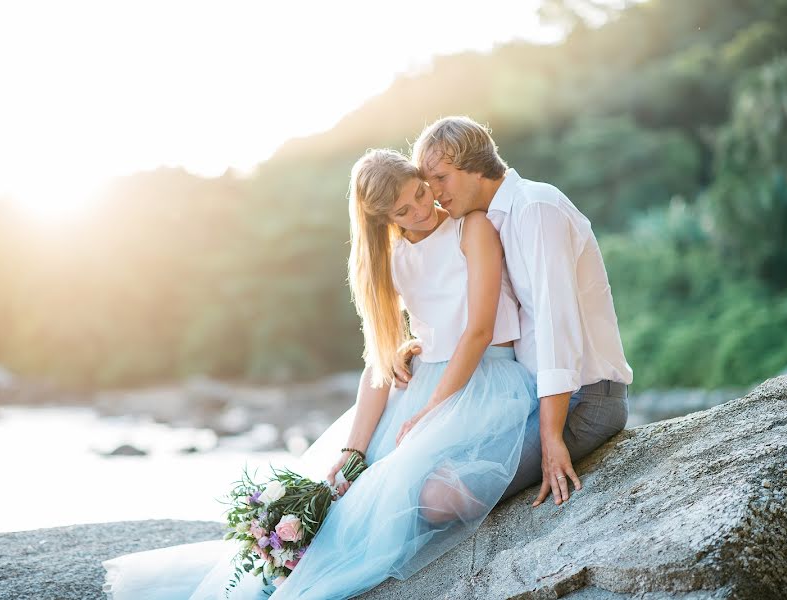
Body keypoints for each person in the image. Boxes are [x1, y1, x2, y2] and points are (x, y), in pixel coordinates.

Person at [101, 148, 536, 599]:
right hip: (423, 385)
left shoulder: (472, 227)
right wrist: (354, 450)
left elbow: (480, 329)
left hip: (481, 382)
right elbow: (380, 362)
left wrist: (429, 411)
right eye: (404, 210)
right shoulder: (392, 257)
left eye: (422, 193)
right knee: (351, 495)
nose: (422, 210)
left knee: (433, 499)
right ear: (383, 219)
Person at [394, 116, 633, 508]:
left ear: (473, 165)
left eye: (440, 178)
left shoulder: (535, 208)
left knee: (438, 496)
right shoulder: (493, 221)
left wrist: (551, 438)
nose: (434, 194)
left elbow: (558, 325)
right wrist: (415, 346)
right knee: (415, 468)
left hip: (585, 401)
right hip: (534, 398)